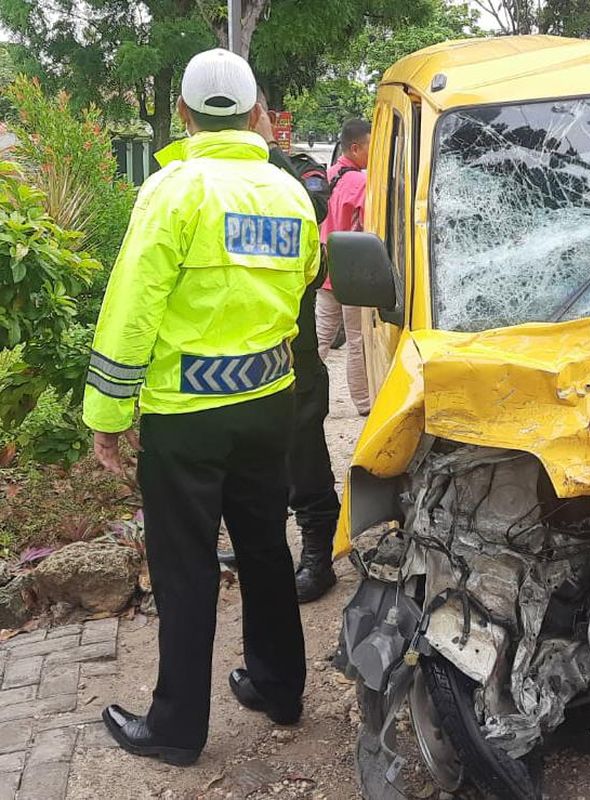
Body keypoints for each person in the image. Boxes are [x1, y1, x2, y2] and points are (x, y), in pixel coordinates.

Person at [84, 48, 320, 765]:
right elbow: (306, 279)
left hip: (186, 416)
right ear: (257, 115)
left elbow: (132, 308)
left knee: (184, 568)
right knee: (265, 550)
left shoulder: (171, 191)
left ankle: (177, 729)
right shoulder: (289, 194)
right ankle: (279, 687)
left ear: (184, 115)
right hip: (266, 407)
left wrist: (106, 412)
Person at [216, 91, 340, 602]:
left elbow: (313, 207)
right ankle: (261, 544)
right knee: (245, 452)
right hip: (233, 338)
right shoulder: (214, 175)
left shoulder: (301, 169)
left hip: (294, 341)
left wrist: (267, 146)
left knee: (301, 446)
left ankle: (318, 553)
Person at [315, 118, 372, 417]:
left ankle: (302, 394)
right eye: (369, 147)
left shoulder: (326, 176)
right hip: (352, 274)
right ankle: (363, 403)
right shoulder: (361, 183)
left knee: (320, 338)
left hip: (325, 269)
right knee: (356, 340)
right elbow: (370, 226)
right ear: (355, 147)